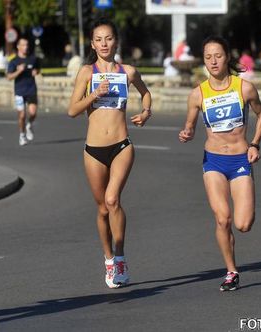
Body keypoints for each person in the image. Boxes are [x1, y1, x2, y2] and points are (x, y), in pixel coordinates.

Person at [178, 36, 261, 292]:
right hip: (213, 161)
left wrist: (255, 144)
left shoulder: (244, 88)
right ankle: (231, 271)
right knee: (222, 219)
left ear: (227, 56)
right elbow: (190, 126)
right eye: (208, 57)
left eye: (217, 55)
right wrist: (186, 134)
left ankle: (247, 201)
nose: (213, 61)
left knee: (243, 224)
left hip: (240, 160)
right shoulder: (198, 94)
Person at [68, 18, 152, 288]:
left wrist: (146, 112)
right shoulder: (86, 72)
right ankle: (108, 259)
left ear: (116, 41)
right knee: (102, 208)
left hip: (121, 145)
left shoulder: (127, 71)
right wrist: (94, 95)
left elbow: (145, 93)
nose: (104, 44)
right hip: (93, 150)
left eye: (109, 38)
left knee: (113, 199)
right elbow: (72, 110)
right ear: (93, 44)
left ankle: (120, 257)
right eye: (99, 39)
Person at [6, 37, 40, 146]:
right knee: (21, 116)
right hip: (19, 91)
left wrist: (36, 72)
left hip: (31, 89)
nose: (26, 47)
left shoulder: (33, 59)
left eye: (27, 45)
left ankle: (29, 125)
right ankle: (22, 135)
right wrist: (18, 71)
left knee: (33, 113)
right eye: (23, 45)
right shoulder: (14, 61)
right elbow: (9, 77)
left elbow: (38, 69)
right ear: (18, 46)